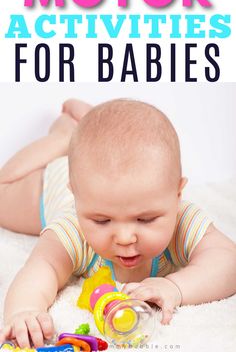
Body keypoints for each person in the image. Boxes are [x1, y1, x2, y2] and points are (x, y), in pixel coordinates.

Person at [0, 98, 235, 348]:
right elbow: (41, 267)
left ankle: (84, 136)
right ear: (79, 203)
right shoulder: (73, 227)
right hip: (53, 183)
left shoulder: (181, 218)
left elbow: (228, 261)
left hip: (97, 175)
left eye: (145, 219)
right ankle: (64, 138)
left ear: (177, 196)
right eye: (102, 221)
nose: (124, 238)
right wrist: (24, 310)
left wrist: (175, 287)